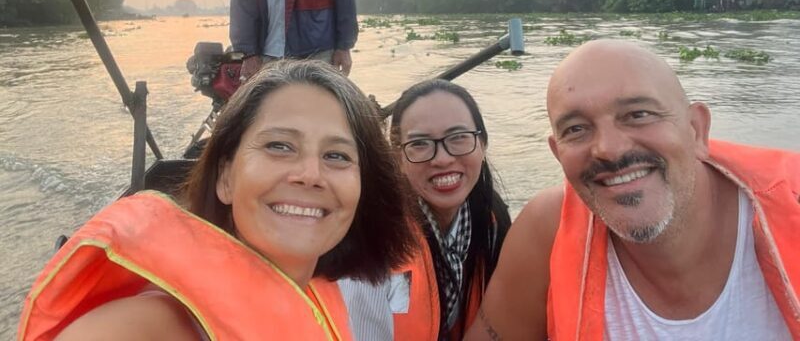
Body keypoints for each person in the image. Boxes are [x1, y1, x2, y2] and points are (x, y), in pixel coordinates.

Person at [19, 61, 414, 340]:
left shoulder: (332, 298)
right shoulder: (140, 330)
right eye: (279, 146)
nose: (310, 174)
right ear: (225, 177)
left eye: (337, 156)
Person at [466, 40, 800, 341]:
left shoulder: (792, 205)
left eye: (638, 115)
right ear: (557, 153)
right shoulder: (546, 230)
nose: (609, 149)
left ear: (696, 130)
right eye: (576, 129)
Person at [340, 79, 511, 340]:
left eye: (458, 137)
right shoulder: (373, 243)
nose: (442, 158)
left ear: (483, 144)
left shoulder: (492, 222)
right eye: (420, 143)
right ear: (397, 157)